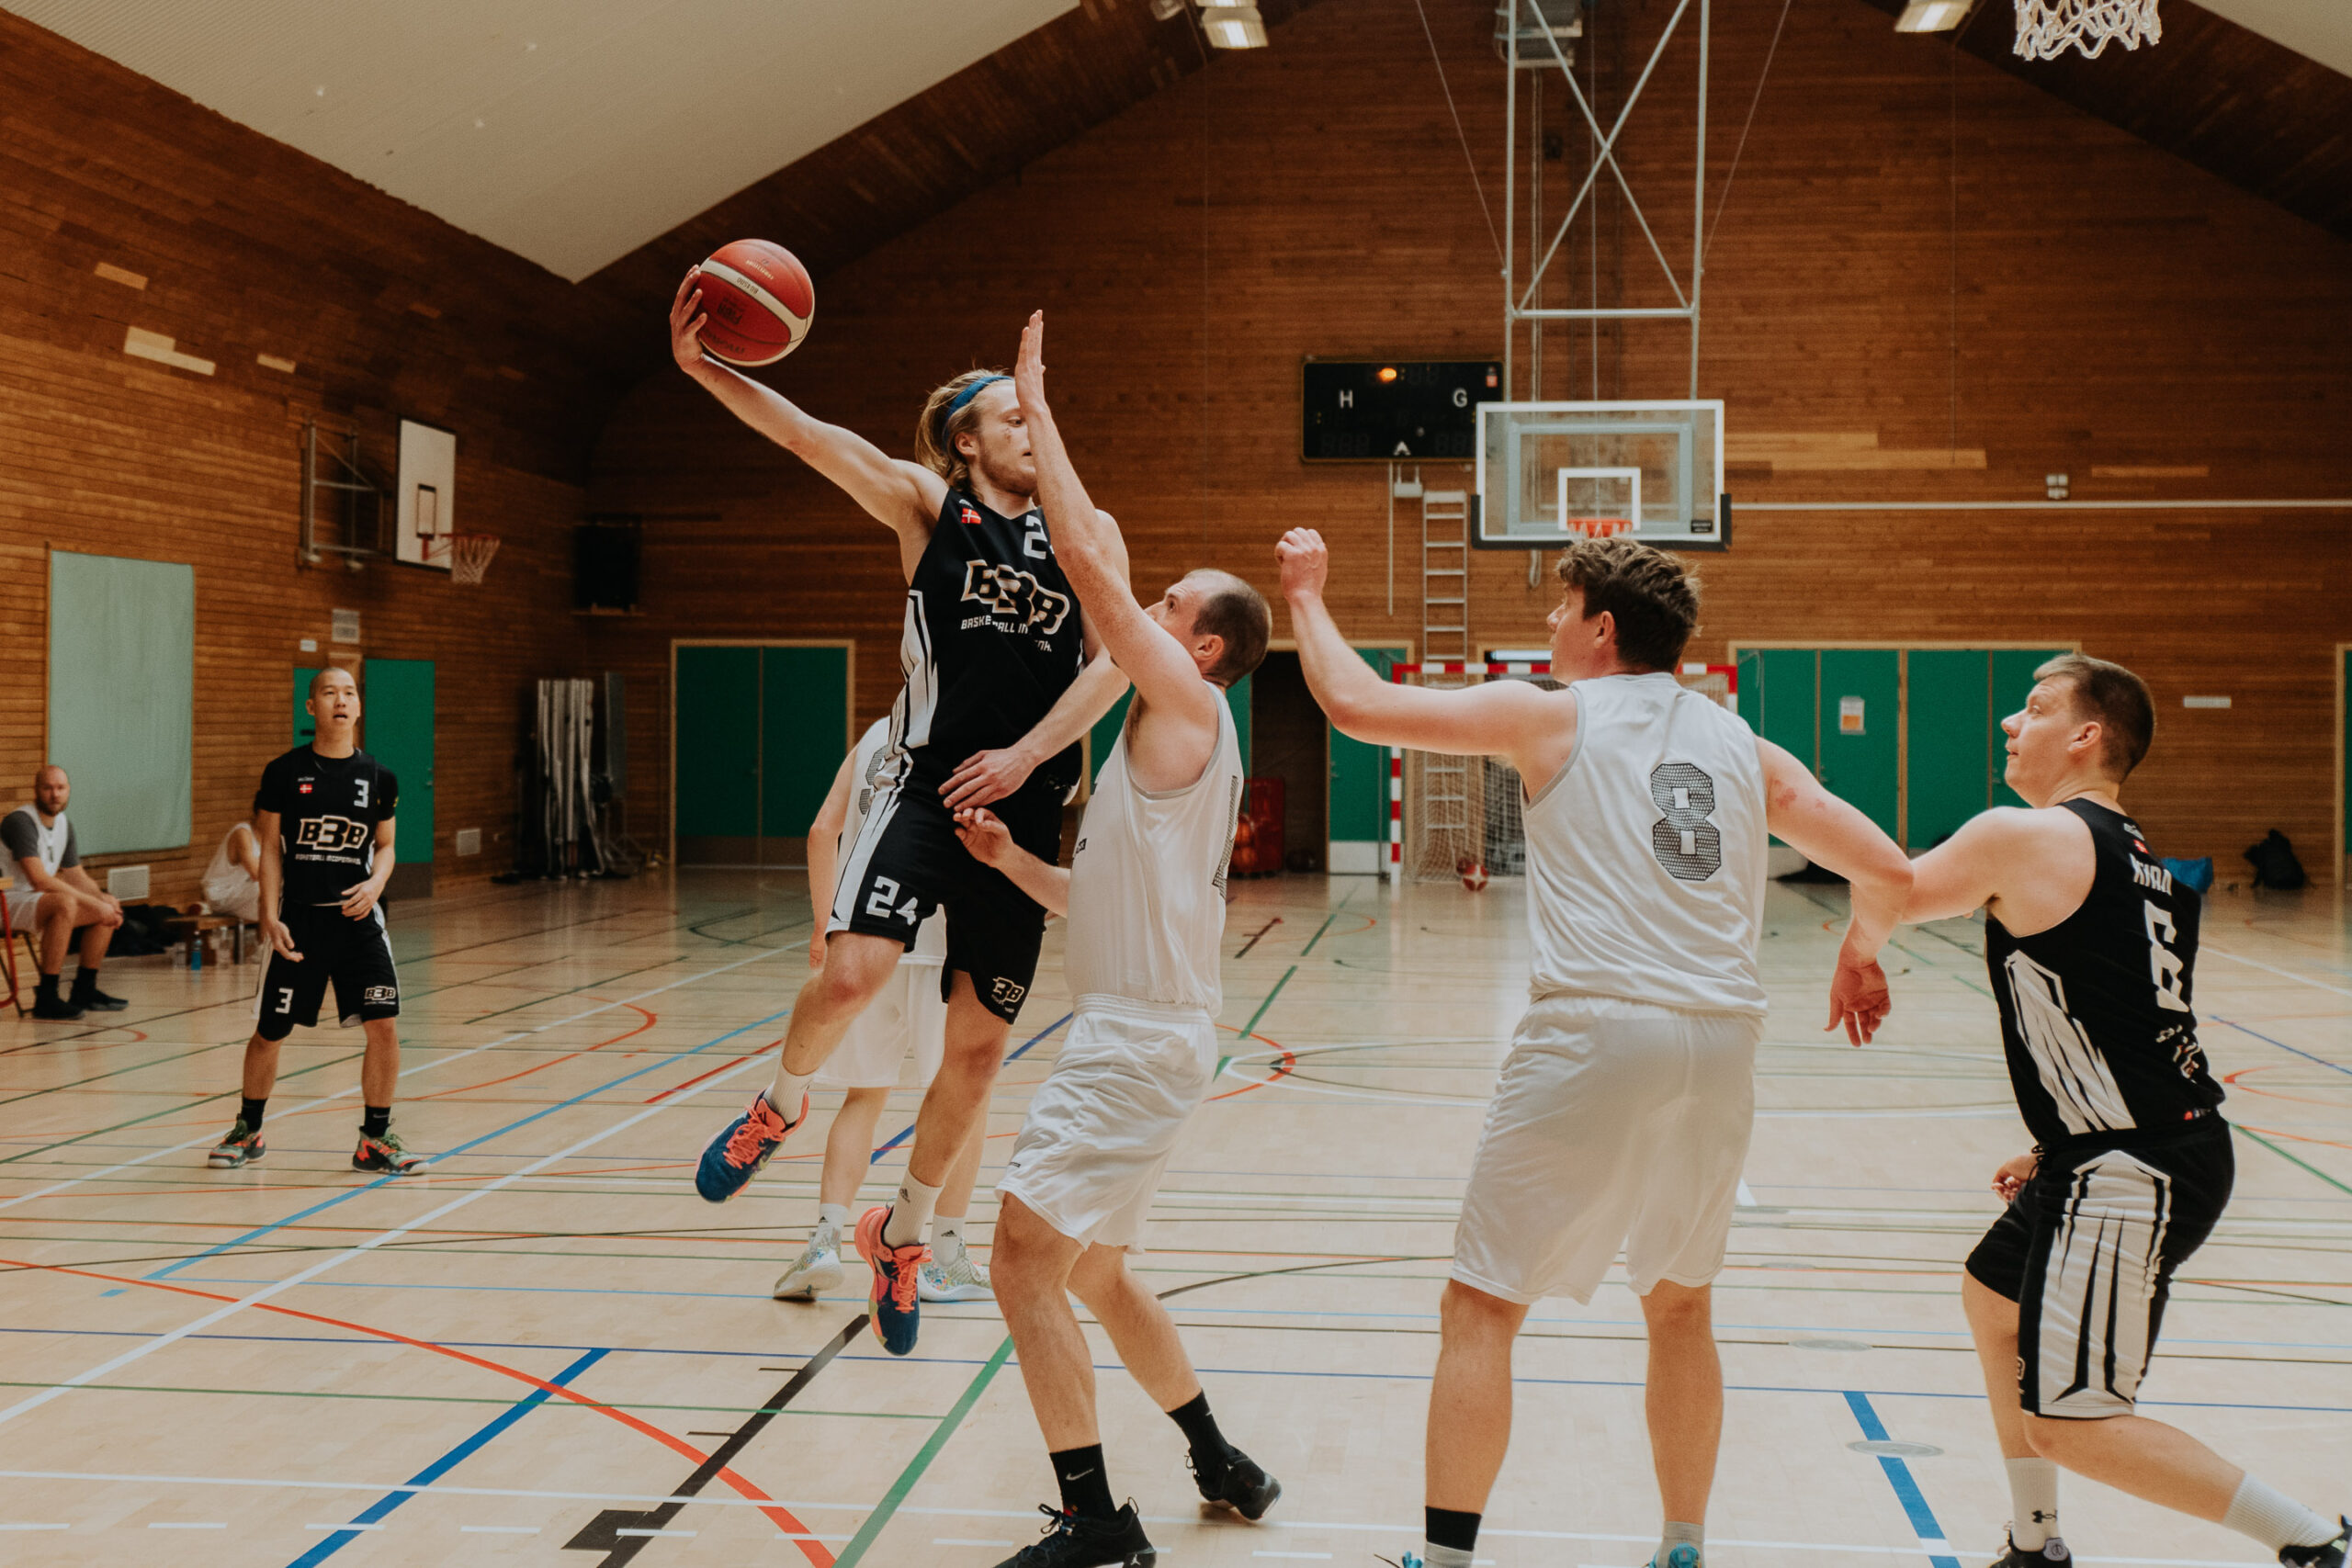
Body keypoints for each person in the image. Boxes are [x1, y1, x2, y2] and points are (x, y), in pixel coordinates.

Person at [1278, 526, 1913, 1568]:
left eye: (1559, 608)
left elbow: (1351, 707)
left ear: (1601, 628)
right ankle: (1680, 1545)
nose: (1548, 624)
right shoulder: (1744, 748)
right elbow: (1890, 869)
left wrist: (1305, 595)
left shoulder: (1548, 716)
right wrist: (1860, 947)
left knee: (1481, 1303)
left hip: (1596, 1030)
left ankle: (1442, 1562)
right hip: (1721, 1045)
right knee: (1679, 1305)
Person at [669, 269, 1125, 1356]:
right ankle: (778, 1103)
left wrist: (1026, 757)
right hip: (924, 785)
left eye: (1034, 411)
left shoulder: (1087, 528)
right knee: (849, 976)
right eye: (1009, 414)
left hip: (1022, 806)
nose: (1028, 425)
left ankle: (905, 1234)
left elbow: (1114, 666)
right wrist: (708, 367)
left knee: (974, 1057)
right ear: (964, 443)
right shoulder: (932, 507)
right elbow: (811, 439)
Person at [945, 310, 1278, 1568]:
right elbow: (1108, 903)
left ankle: (1096, 1519)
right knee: (1093, 1270)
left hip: (1135, 1044)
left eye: (1171, 599)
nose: (1150, 600)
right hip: (1154, 1026)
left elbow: (1084, 556)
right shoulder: (1168, 746)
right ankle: (1217, 1456)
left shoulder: (1184, 698)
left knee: (1020, 1260)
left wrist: (1041, 402)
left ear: (1198, 646)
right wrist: (1017, 860)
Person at [1900, 655, 2346, 1568]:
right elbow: (2127, 1023)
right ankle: (2035, 1544)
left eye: (2031, 709)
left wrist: (1777, 804)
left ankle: (2314, 1542)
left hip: (2132, 1170)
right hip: (2117, 1145)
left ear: (2085, 736)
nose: (2007, 727)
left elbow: (1893, 893)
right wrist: (2052, 1137)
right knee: (1992, 1298)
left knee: (2076, 1422)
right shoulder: (2140, 863)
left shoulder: (2031, 837)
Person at [771, 717, 993, 1308]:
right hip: (945, 943)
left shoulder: (875, 735)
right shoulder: (973, 732)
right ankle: (944, 1256)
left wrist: (826, 926)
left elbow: (823, 831)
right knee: (961, 1101)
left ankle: (824, 1240)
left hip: (866, 937)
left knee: (862, 1095)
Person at [209, 668, 422, 1175]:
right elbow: (270, 853)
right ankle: (249, 1129)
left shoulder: (380, 778)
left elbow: (387, 847)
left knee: (384, 1026)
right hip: (299, 923)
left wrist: (374, 885)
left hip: (359, 925)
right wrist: (268, 914)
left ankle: (375, 1140)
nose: (340, 701)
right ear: (312, 707)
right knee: (270, 1031)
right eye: (329, 693)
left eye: (349, 693)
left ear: (359, 707)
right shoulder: (284, 771)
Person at [0, 765, 126, 1020]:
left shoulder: (64, 825)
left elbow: (75, 874)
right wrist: (93, 901)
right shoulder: (20, 821)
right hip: (7, 898)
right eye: (48, 788)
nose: (54, 795)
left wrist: (103, 901)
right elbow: (39, 879)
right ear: (36, 791)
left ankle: (84, 989)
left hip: (33, 900)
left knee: (105, 906)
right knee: (64, 903)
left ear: (68, 791)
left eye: (60, 788)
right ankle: (47, 997)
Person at [202, 819, 264, 923]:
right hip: (221, 894)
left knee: (275, 904)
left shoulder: (272, 835)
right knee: (267, 892)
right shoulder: (243, 833)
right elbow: (256, 873)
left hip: (244, 892)